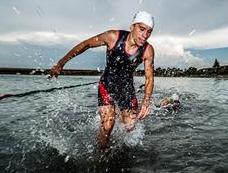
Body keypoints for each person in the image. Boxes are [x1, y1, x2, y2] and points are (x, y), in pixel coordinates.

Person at [49, 11, 155, 150]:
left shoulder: (148, 50)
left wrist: (146, 101)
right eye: (142, 29)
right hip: (107, 84)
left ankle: (119, 120)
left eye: (149, 32)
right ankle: (102, 154)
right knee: (107, 125)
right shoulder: (113, 37)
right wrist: (61, 63)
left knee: (130, 127)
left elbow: (149, 77)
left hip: (126, 88)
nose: (145, 35)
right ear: (132, 27)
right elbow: (86, 44)